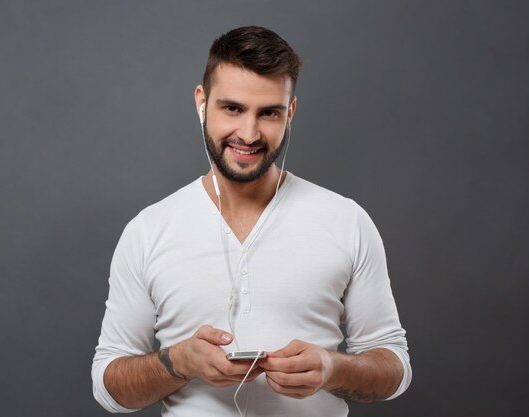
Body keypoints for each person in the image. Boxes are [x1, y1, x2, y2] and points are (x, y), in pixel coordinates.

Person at [92, 26, 411, 417]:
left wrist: (332, 368)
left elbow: (394, 367)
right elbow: (109, 388)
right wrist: (177, 363)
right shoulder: (148, 232)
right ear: (201, 103)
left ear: (290, 112)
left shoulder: (347, 221)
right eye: (232, 108)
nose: (248, 133)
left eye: (269, 113)